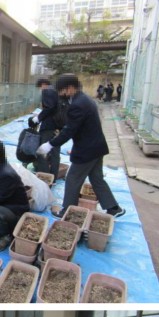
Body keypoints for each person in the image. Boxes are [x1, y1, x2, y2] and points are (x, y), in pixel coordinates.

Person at [37, 74, 125, 219]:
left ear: (71, 88)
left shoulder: (78, 105)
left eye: (62, 91)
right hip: (97, 147)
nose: (61, 94)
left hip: (87, 150)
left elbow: (69, 131)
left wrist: (50, 144)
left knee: (72, 179)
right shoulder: (85, 99)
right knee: (97, 179)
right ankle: (114, 208)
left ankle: (67, 211)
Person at [31, 78, 61, 181]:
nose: (40, 90)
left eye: (40, 87)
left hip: (49, 127)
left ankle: (44, 177)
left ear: (43, 85)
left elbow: (49, 107)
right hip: (58, 127)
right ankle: (53, 178)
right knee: (55, 153)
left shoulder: (47, 91)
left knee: (41, 151)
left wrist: (39, 118)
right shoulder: (58, 92)